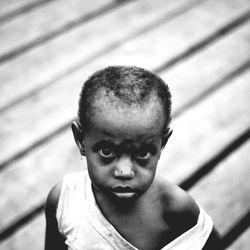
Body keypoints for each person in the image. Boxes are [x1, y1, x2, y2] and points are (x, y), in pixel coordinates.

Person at [44, 66, 222, 250]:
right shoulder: (65, 200)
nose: (124, 171)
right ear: (81, 140)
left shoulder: (175, 208)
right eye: (107, 151)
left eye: (142, 153)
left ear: (162, 143)